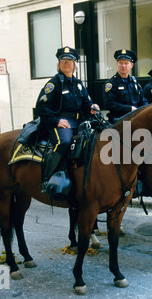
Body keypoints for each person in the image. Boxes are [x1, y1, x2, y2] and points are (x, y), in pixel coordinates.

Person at [36, 46, 99, 192]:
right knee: (64, 143)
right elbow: (41, 107)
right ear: (59, 64)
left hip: (78, 121)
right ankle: (47, 179)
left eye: (70, 61)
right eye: (63, 61)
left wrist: (92, 106)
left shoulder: (78, 83)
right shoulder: (54, 83)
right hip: (59, 122)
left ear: (74, 64)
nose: (66, 63)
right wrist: (56, 121)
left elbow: (86, 103)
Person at [103, 49, 148, 123]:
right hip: (120, 121)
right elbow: (109, 104)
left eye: (126, 63)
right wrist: (129, 109)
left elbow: (143, 100)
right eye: (120, 63)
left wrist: (143, 110)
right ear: (117, 64)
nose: (123, 66)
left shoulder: (134, 83)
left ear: (131, 65)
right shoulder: (111, 84)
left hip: (136, 118)